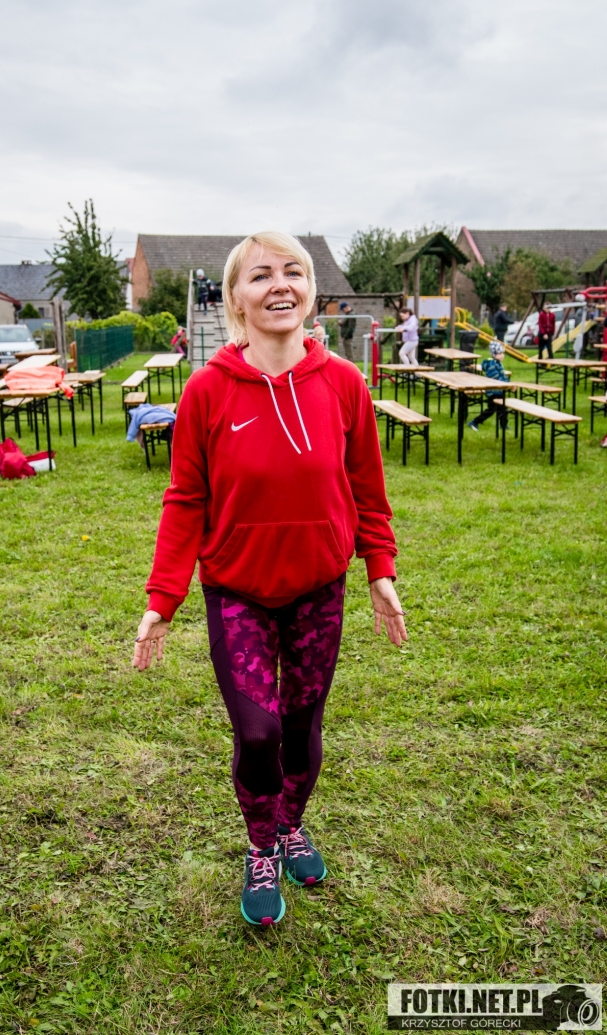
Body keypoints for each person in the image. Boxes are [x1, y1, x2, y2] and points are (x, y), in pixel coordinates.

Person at [133, 232, 406, 927]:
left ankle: (290, 826)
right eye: (261, 275)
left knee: (302, 724)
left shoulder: (344, 383)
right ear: (235, 298)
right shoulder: (207, 390)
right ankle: (261, 845)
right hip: (238, 592)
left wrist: (379, 569)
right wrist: (163, 598)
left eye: (293, 272)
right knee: (258, 732)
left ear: (310, 292)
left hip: (319, 588)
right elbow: (185, 500)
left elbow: (368, 490)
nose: (280, 284)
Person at [467, 341, 510, 432]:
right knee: (491, 409)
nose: (502, 355)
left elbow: (502, 376)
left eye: (503, 353)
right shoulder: (492, 365)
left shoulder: (497, 363)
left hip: (499, 390)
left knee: (503, 408)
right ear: (494, 354)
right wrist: (507, 384)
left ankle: (503, 425)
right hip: (493, 391)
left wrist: (508, 383)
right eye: (499, 353)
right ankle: (475, 422)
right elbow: (497, 378)